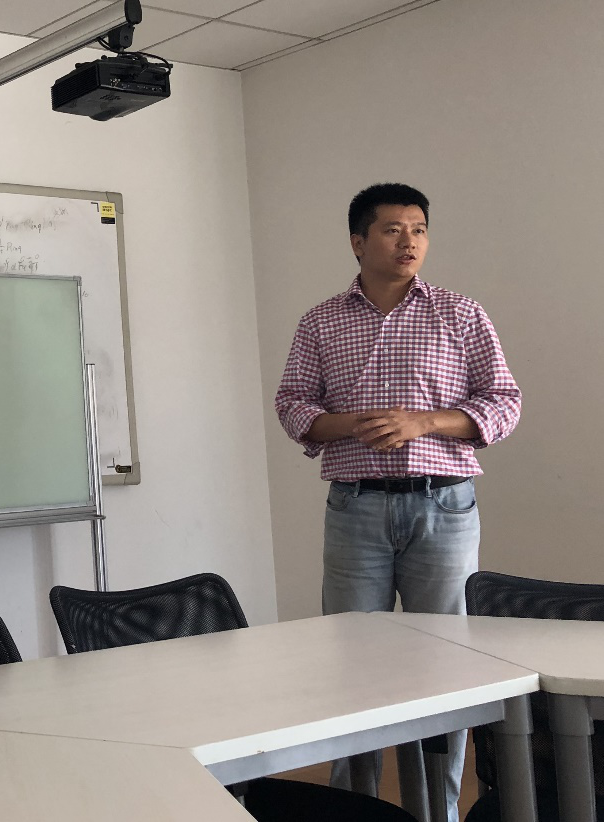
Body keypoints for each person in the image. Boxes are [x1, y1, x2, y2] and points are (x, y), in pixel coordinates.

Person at [274, 183, 521, 821]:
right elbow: (293, 404)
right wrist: (354, 425)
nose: (409, 241)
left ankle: (440, 810)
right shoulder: (321, 321)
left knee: (447, 662)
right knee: (353, 665)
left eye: (419, 229)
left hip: (444, 507)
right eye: (392, 229)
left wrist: (423, 423)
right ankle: (354, 809)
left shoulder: (461, 313)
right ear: (358, 242)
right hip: (355, 507)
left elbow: (503, 402)